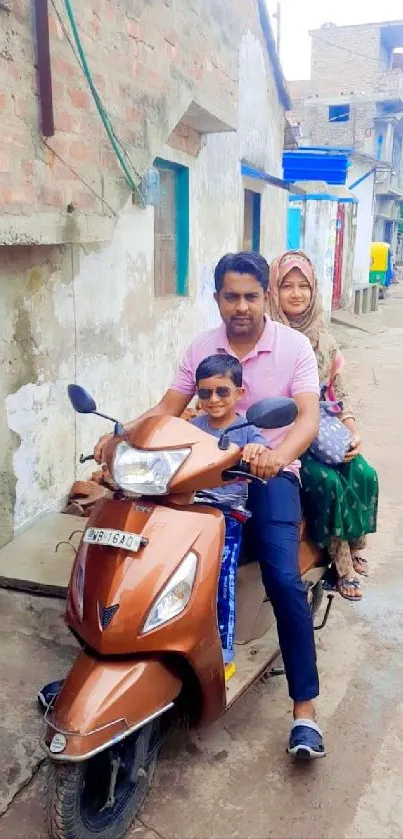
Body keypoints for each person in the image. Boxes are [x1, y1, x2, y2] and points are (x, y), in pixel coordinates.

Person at [94, 251, 324, 759]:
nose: (240, 306)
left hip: (267, 474)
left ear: (265, 297)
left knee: (282, 578)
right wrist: (120, 437)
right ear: (216, 296)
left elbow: (307, 418)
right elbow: (168, 408)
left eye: (250, 296)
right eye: (230, 296)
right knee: (137, 541)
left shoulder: (295, 347)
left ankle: (304, 711)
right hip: (200, 471)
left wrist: (276, 456)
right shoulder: (202, 345)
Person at [268, 249, 379, 602]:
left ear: (314, 290)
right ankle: (340, 565)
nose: (296, 293)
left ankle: (357, 544)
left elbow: (338, 391)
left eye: (304, 286)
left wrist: (352, 429)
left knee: (362, 472)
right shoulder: (267, 335)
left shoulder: (324, 338)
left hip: (324, 428)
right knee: (328, 483)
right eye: (287, 285)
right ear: (274, 290)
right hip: (287, 435)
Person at [189, 352, 271, 681]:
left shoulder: (248, 431)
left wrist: (256, 452)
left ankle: (223, 652)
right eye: (205, 392)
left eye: (222, 391)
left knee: (221, 578)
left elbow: (264, 450)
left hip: (228, 517)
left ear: (239, 393)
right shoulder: (193, 427)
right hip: (190, 510)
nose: (213, 399)